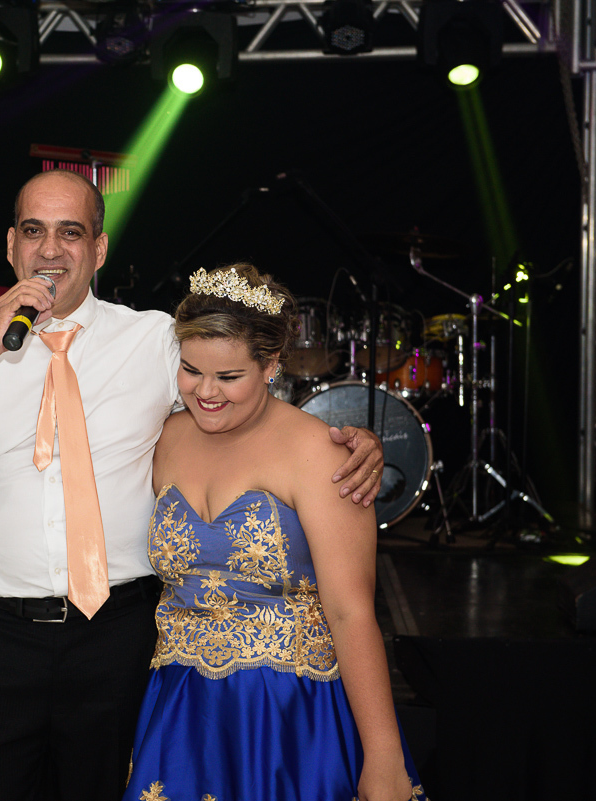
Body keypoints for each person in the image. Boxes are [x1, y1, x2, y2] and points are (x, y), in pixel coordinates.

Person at [0, 170, 385, 801]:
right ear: (10, 245)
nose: (51, 250)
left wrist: (348, 438)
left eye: (71, 233)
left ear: (100, 250)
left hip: (120, 637)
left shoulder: (155, 340)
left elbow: (236, 396)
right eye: (35, 230)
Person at [121, 263, 426, 801]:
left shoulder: (321, 452)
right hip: (181, 710)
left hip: (287, 714)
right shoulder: (165, 435)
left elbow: (351, 612)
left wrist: (383, 756)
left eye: (229, 377)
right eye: (191, 371)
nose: (205, 392)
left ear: (271, 365)